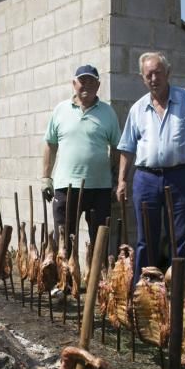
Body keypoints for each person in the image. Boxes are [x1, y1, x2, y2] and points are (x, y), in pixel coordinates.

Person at [117, 51, 185, 284]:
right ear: (142, 78)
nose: (153, 78)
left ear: (168, 73)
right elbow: (127, 148)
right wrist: (121, 180)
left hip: (178, 176)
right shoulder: (137, 109)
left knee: (178, 235)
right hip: (145, 179)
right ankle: (143, 289)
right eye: (148, 74)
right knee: (146, 237)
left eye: (158, 72)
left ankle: (176, 289)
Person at [41, 64, 121, 255]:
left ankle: (97, 282)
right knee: (64, 239)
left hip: (99, 188)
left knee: (99, 239)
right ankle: (65, 283)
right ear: (73, 84)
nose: (86, 85)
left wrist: (113, 176)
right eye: (82, 81)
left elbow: (117, 146)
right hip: (66, 188)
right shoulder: (60, 110)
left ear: (98, 85)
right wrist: (46, 178)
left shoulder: (107, 112)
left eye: (91, 81)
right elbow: (50, 144)